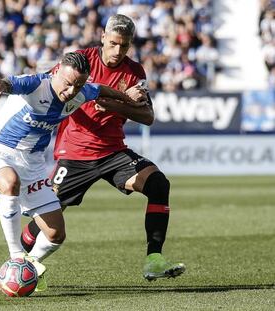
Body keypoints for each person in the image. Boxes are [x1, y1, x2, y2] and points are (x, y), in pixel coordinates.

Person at [20, 14, 186, 282]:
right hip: (74, 153)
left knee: (158, 184)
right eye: (114, 44)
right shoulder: (79, 61)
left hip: (113, 152)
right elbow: (52, 90)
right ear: (103, 38)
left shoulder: (134, 72)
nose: (118, 51)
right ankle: (17, 263)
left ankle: (153, 259)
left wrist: (113, 104)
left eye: (124, 46)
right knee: (46, 218)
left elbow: (147, 116)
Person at [0, 52, 145, 292]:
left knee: (56, 234)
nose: (71, 91)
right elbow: (10, 83)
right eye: (67, 83)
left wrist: (126, 97)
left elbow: (102, 90)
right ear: (56, 73)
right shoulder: (36, 84)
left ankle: (30, 268)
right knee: (10, 183)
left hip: (33, 165)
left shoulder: (81, 91)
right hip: (0, 151)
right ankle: (16, 258)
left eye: (77, 85)